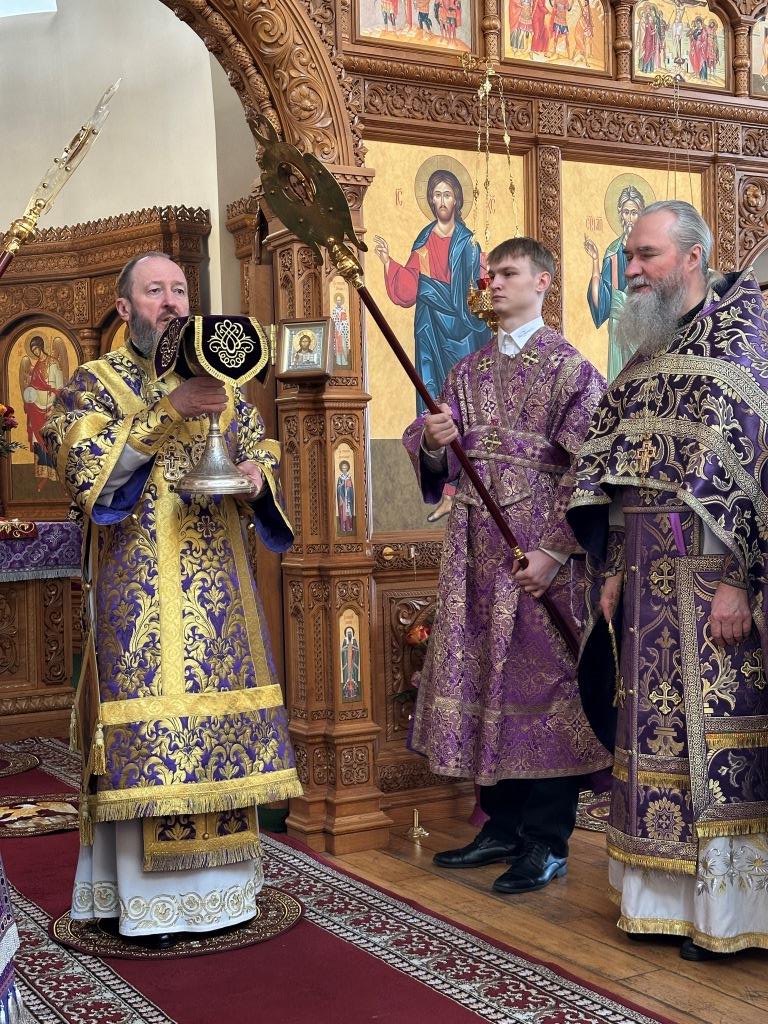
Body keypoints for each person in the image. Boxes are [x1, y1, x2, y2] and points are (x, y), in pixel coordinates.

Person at [43, 252, 302, 948]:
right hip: (141, 599)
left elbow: (263, 447)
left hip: (222, 594)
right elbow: (84, 471)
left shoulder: (221, 375)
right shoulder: (94, 383)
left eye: (180, 290)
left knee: (218, 735)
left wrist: (256, 473)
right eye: (154, 291)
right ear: (124, 307)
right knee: (146, 741)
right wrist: (168, 411)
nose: (171, 302)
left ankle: (224, 899)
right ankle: (144, 906)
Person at [567, 200, 768, 960]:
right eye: (629, 256)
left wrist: (740, 579)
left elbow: (758, 474)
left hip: (714, 582)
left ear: (692, 257)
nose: (632, 271)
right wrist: (612, 569)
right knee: (655, 741)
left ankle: (729, 915)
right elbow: (617, 474)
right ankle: (665, 903)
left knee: (719, 747)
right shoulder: (645, 356)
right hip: (647, 585)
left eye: (646, 254)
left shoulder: (744, 342)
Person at [402, 237, 611, 894]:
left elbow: (593, 469)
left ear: (543, 282)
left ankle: (546, 840)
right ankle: (501, 824)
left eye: (508, 273)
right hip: (476, 558)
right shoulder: (467, 371)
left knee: (546, 691)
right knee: (489, 684)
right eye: (490, 274)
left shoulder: (572, 372)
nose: (492, 283)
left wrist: (554, 551)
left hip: (539, 560)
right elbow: (436, 450)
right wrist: (434, 442)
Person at [374, 169, 490, 521]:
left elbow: (480, 291)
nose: (442, 201)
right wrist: (388, 263)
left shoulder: (469, 243)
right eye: (436, 194)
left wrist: (488, 276)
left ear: (457, 200)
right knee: (432, 399)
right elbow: (409, 288)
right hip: (430, 330)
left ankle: (465, 490)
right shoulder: (423, 240)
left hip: (463, 333)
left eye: (447, 194)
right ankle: (444, 490)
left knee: (464, 406)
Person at [584, 184, 647, 382]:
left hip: (642, 322)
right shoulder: (612, 251)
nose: (630, 218)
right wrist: (595, 261)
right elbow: (601, 299)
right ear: (620, 214)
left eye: (634, 213)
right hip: (618, 325)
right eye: (626, 212)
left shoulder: (649, 251)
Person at [21, 333, 66, 491]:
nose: (35, 352)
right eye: (33, 350)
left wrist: (53, 407)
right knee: (38, 438)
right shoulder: (35, 366)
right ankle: (43, 473)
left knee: (51, 438)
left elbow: (59, 388)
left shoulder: (53, 363)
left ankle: (57, 474)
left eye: (36, 349)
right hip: (35, 408)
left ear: (41, 347)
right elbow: (32, 386)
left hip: (49, 407)